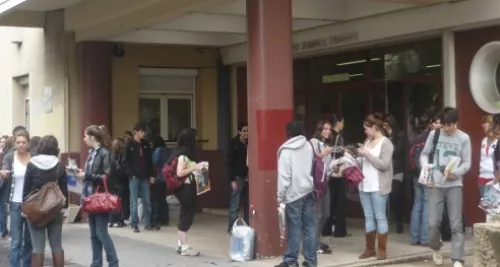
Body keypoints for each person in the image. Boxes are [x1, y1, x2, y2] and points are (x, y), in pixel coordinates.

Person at [420, 107, 471, 267]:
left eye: (449, 125)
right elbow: (424, 153)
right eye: (444, 125)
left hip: (454, 184)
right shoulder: (434, 134)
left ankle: (457, 258)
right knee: (433, 223)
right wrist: (425, 166)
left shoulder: (464, 138)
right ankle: (436, 247)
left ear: (456, 123)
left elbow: (467, 162)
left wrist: (455, 172)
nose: (446, 128)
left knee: (456, 223)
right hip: (435, 184)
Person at [275, 121, 316, 267]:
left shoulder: (286, 151)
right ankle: (311, 262)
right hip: (308, 191)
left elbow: (284, 176)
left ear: (288, 133)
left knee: (294, 228)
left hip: (293, 195)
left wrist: (280, 196)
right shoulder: (308, 146)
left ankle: (291, 261)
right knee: (310, 227)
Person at [23, 135, 68, 267]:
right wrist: (64, 211)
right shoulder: (60, 166)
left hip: (36, 210)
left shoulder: (31, 164)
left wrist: (25, 210)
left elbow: (25, 191)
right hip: (55, 210)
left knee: (37, 248)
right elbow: (64, 192)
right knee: (57, 246)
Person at [78, 125, 119, 267]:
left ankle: (113, 262)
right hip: (90, 197)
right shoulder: (92, 153)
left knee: (101, 233)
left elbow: (107, 177)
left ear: (92, 137)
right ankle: (96, 263)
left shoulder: (104, 153)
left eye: (85, 136)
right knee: (94, 234)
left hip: (100, 198)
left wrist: (87, 175)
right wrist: (82, 173)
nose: (84, 139)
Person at [356, 114, 394, 261]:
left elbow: (384, 165)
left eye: (366, 129)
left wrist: (367, 154)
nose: (365, 131)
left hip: (379, 186)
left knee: (380, 216)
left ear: (374, 128)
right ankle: (369, 248)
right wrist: (356, 157)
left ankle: (382, 250)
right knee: (369, 217)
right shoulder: (367, 141)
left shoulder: (386, 143)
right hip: (364, 184)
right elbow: (363, 162)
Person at [168, 127, 205, 256]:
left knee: (185, 215)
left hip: (185, 188)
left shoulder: (180, 151)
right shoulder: (183, 155)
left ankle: (180, 244)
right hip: (186, 189)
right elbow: (179, 172)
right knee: (186, 217)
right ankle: (184, 247)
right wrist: (195, 166)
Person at [1, 130, 33, 267]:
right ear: (15, 143)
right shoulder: (9, 157)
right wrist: (3, 173)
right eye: (18, 142)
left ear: (28, 143)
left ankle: (26, 264)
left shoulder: (33, 157)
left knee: (29, 240)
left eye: (24, 142)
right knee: (16, 241)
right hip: (15, 202)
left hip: (30, 203)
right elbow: (5, 169)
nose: (21, 145)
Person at [122, 123, 158, 233]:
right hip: (134, 176)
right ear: (135, 132)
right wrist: (130, 173)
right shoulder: (129, 144)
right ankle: (134, 224)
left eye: (144, 131)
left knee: (146, 200)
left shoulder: (146, 144)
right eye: (141, 131)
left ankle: (148, 223)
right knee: (134, 201)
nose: (143, 133)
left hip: (144, 176)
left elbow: (149, 161)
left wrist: (151, 175)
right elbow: (125, 160)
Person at [309, 120, 334, 254]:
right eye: (325, 129)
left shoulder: (326, 144)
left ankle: (316, 240)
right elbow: (312, 159)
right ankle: (314, 245)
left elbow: (326, 166)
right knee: (317, 215)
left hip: (326, 182)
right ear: (319, 129)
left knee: (326, 214)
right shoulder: (313, 142)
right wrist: (324, 153)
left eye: (329, 129)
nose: (328, 131)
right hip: (316, 184)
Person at [324, 116, 348, 238]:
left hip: (329, 174)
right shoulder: (339, 137)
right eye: (341, 122)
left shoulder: (328, 137)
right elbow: (340, 154)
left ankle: (327, 228)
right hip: (337, 172)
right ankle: (339, 230)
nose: (342, 125)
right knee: (339, 203)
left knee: (330, 203)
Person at [383, 114, 406, 234]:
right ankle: (386, 222)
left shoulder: (400, 135)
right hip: (386, 170)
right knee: (386, 196)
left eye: (387, 126)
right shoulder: (383, 137)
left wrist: (391, 137)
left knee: (396, 197)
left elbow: (396, 151)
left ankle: (399, 223)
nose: (385, 128)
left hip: (397, 170)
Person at [227, 123, 249, 233]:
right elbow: (229, 163)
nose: (246, 133)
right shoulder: (234, 144)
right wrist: (232, 180)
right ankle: (232, 227)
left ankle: (247, 225)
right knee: (235, 203)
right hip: (237, 177)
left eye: (247, 131)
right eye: (244, 131)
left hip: (247, 176)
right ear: (239, 132)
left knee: (248, 202)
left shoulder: (249, 143)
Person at [109, 138, 129, 228]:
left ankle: (112, 220)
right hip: (121, 182)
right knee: (121, 201)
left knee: (112, 201)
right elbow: (123, 169)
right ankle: (120, 220)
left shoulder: (110, 156)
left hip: (112, 182)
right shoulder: (122, 156)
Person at [151, 135, 170, 226]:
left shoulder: (158, 150)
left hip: (158, 176)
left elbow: (154, 162)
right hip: (166, 177)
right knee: (163, 198)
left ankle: (157, 218)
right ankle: (165, 218)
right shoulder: (166, 150)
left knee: (156, 199)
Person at [478, 115, 497, 198]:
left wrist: (496, 180)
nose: (482, 125)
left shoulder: (498, 141)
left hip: (495, 179)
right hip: (482, 178)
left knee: (495, 209)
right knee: (486, 208)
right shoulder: (484, 140)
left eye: (485, 122)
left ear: (491, 124)